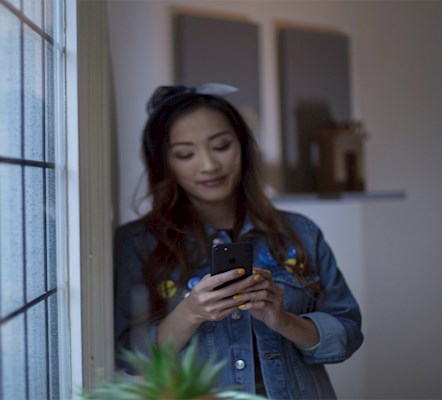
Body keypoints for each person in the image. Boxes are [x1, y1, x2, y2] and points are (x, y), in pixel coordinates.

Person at [113, 83, 363, 399]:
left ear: (243, 146)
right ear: (164, 163)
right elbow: (128, 359)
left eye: (220, 146)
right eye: (185, 154)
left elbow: (347, 331)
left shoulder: (300, 232)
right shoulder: (136, 244)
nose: (209, 165)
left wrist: (282, 320)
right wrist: (190, 313)